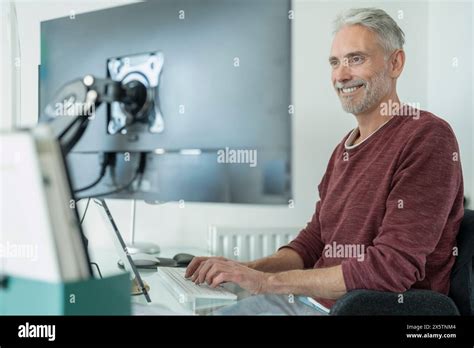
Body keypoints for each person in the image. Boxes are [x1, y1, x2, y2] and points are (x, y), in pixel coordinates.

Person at [185, 7, 464, 315]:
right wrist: (243, 270)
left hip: (360, 310)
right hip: (309, 303)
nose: (341, 75)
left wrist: (267, 282)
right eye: (335, 62)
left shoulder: (428, 137)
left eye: (356, 59)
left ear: (395, 63)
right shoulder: (343, 149)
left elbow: (391, 268)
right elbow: (314, 242)